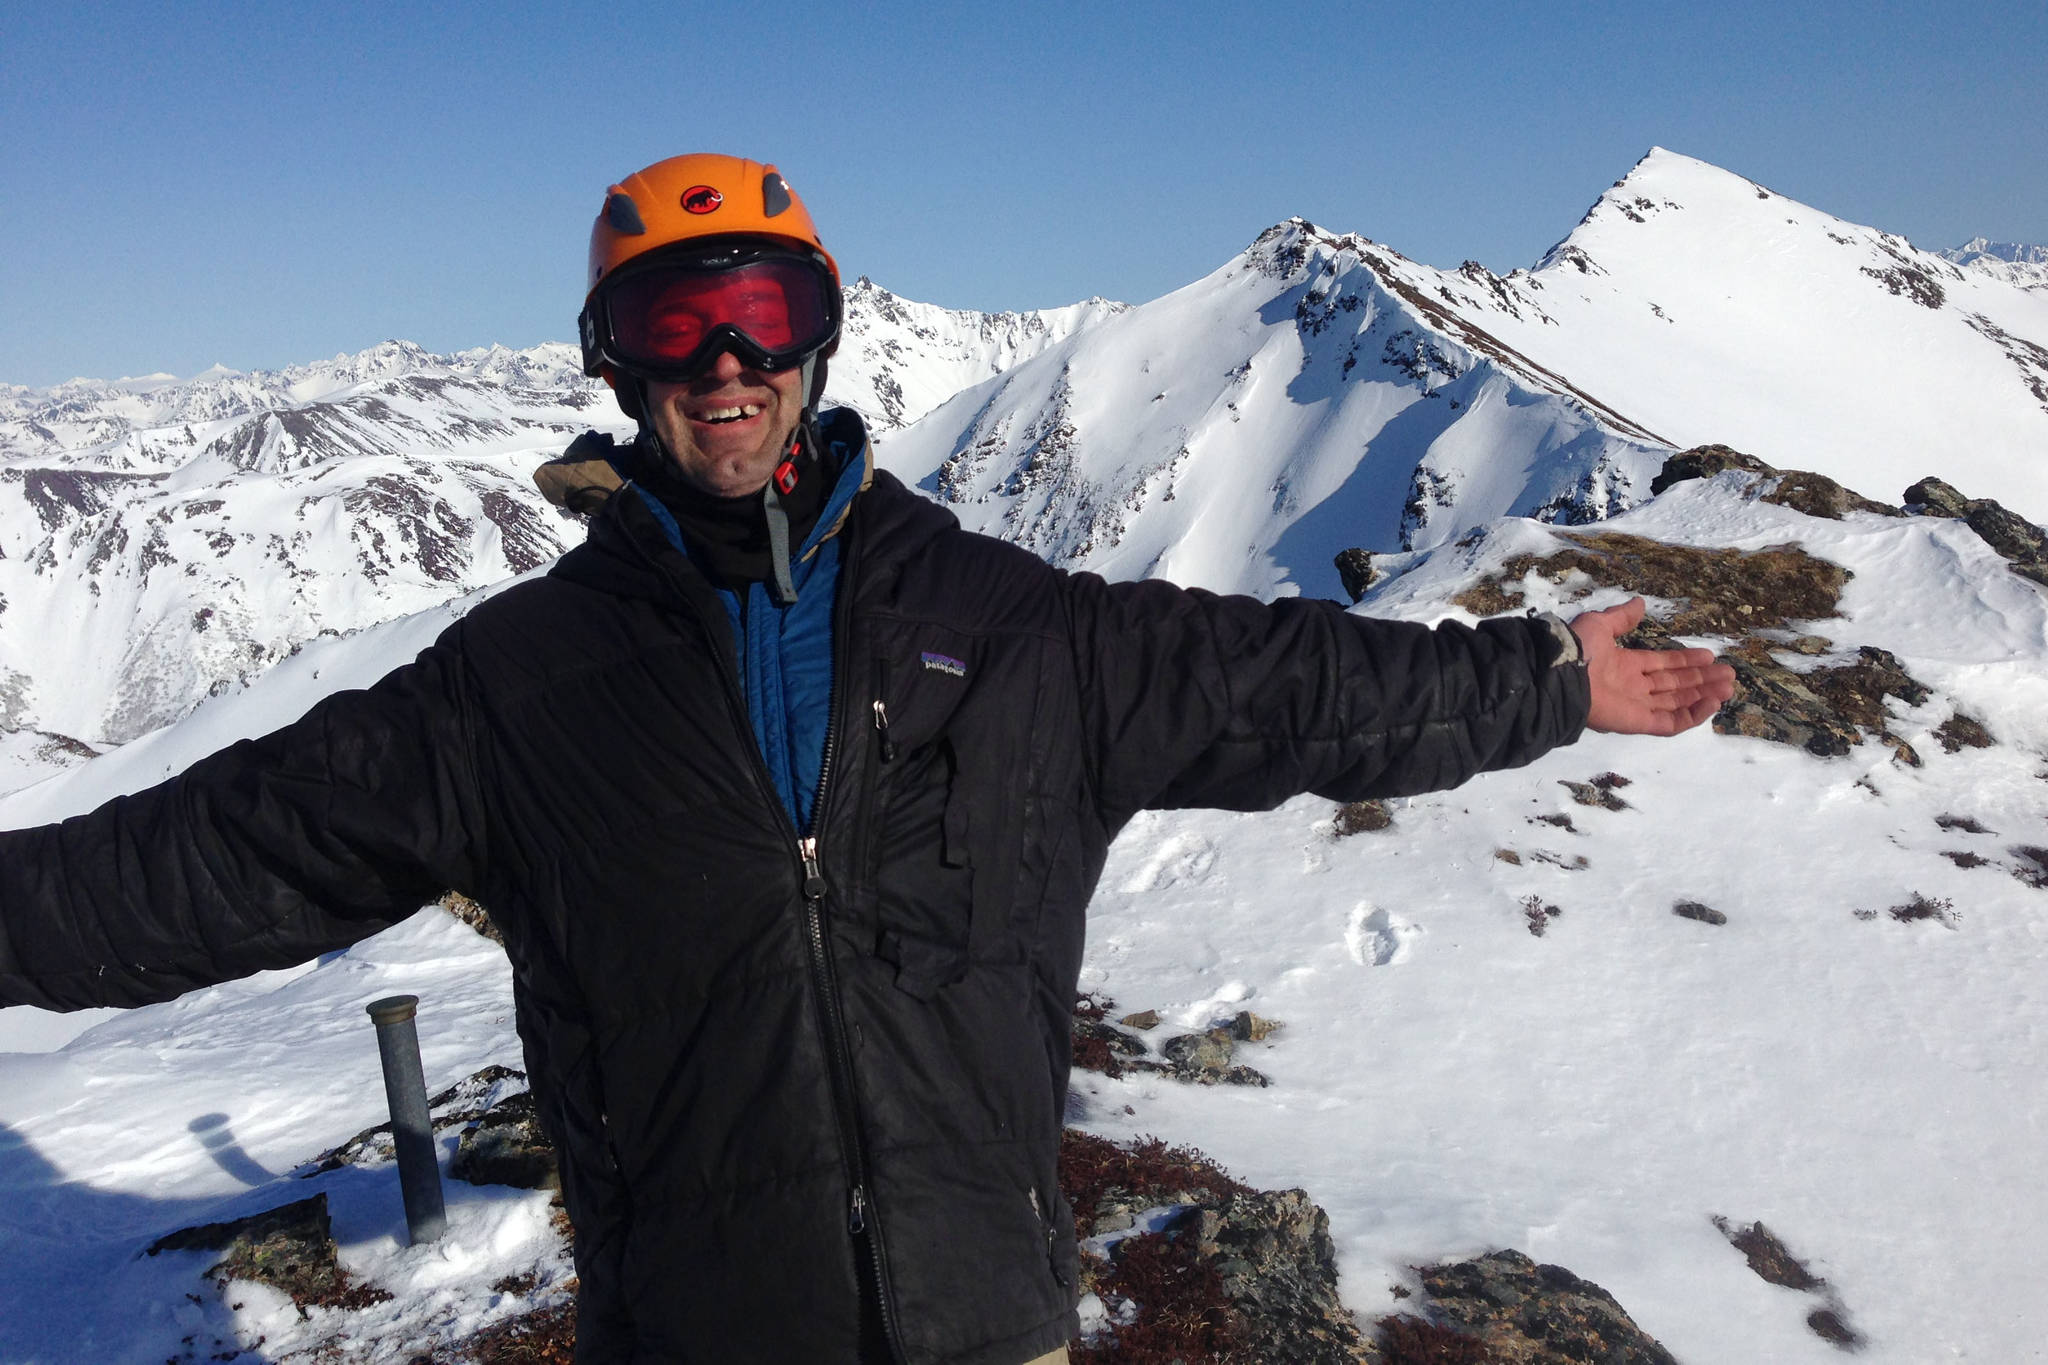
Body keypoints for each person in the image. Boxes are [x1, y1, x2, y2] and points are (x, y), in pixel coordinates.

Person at [0, 153, 1734, 1365]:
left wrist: (1539, 682)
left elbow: (1285, 687)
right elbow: (212, 855)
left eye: (760, 307)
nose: (728, 361)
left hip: (989, 1320)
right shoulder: (510, 694)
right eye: (676, 324)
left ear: (820, 333)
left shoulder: (1019, 629)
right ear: (618, 366)